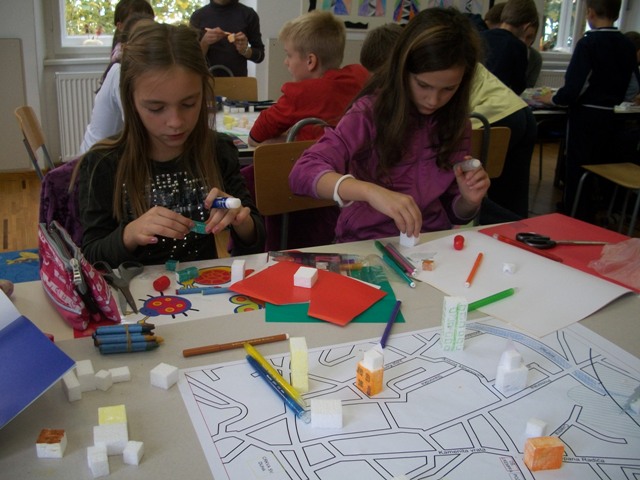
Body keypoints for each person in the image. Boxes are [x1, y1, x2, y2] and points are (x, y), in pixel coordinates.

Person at [289, 7, 490, 243]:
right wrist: (369, 192)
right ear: (402, 71)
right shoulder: (369, 113)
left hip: (431, 243)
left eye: (448, 89)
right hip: (366, 242)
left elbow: (453, 210)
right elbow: (302, 173)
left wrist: (468, 201)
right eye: (423, 85)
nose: (433, 100)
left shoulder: (455, 123)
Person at [76, 22, 265, 267]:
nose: (175, 122)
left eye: (189, 104)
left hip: (203, 286)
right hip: (131, 287)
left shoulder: (217, 149)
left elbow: (255, 238)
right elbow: (92, 256)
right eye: (156, 108)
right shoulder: (103, 163)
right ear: (131, 101)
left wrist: (241, 220)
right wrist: (129, 234)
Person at [536, 0, 637, 219]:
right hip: (612, 116)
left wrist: (552, 98)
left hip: (585, 116)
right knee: (601, 165)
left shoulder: (588, 44)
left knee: (577, 166)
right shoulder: (627, 45)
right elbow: (632, 86)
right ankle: (596, 209)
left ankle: (574, 212)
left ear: (590, 13)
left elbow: (574, 88)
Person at [248, 10, 369, 146]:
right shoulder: (360, 75)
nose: (286, 62)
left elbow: (255, 137)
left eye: (289, 55)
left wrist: (288, 139)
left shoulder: (300, 94)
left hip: (313, 158)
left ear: (310, 61)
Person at [79, 12, 155, 153]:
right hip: (98, 157)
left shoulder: (132, 69)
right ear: (127, 46)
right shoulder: (120, 72)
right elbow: (140, 128)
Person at [470, 63, 537, 220]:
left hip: (491, 115)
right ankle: (519, 229)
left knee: (461, 188)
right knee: (513, 196)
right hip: (518, 109)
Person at [190, 0, 265, 77]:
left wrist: (245, 51)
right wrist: (204, 43)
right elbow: (190, 61)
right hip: (205, 80)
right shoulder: (198, 16)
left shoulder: (248, 14)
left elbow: (260, 56)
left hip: (237, 81)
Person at [481, 0, 539, 95]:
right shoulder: (518, 47)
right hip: (497, 99)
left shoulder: (480, 36)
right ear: (527, 27)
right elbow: (519, 88)